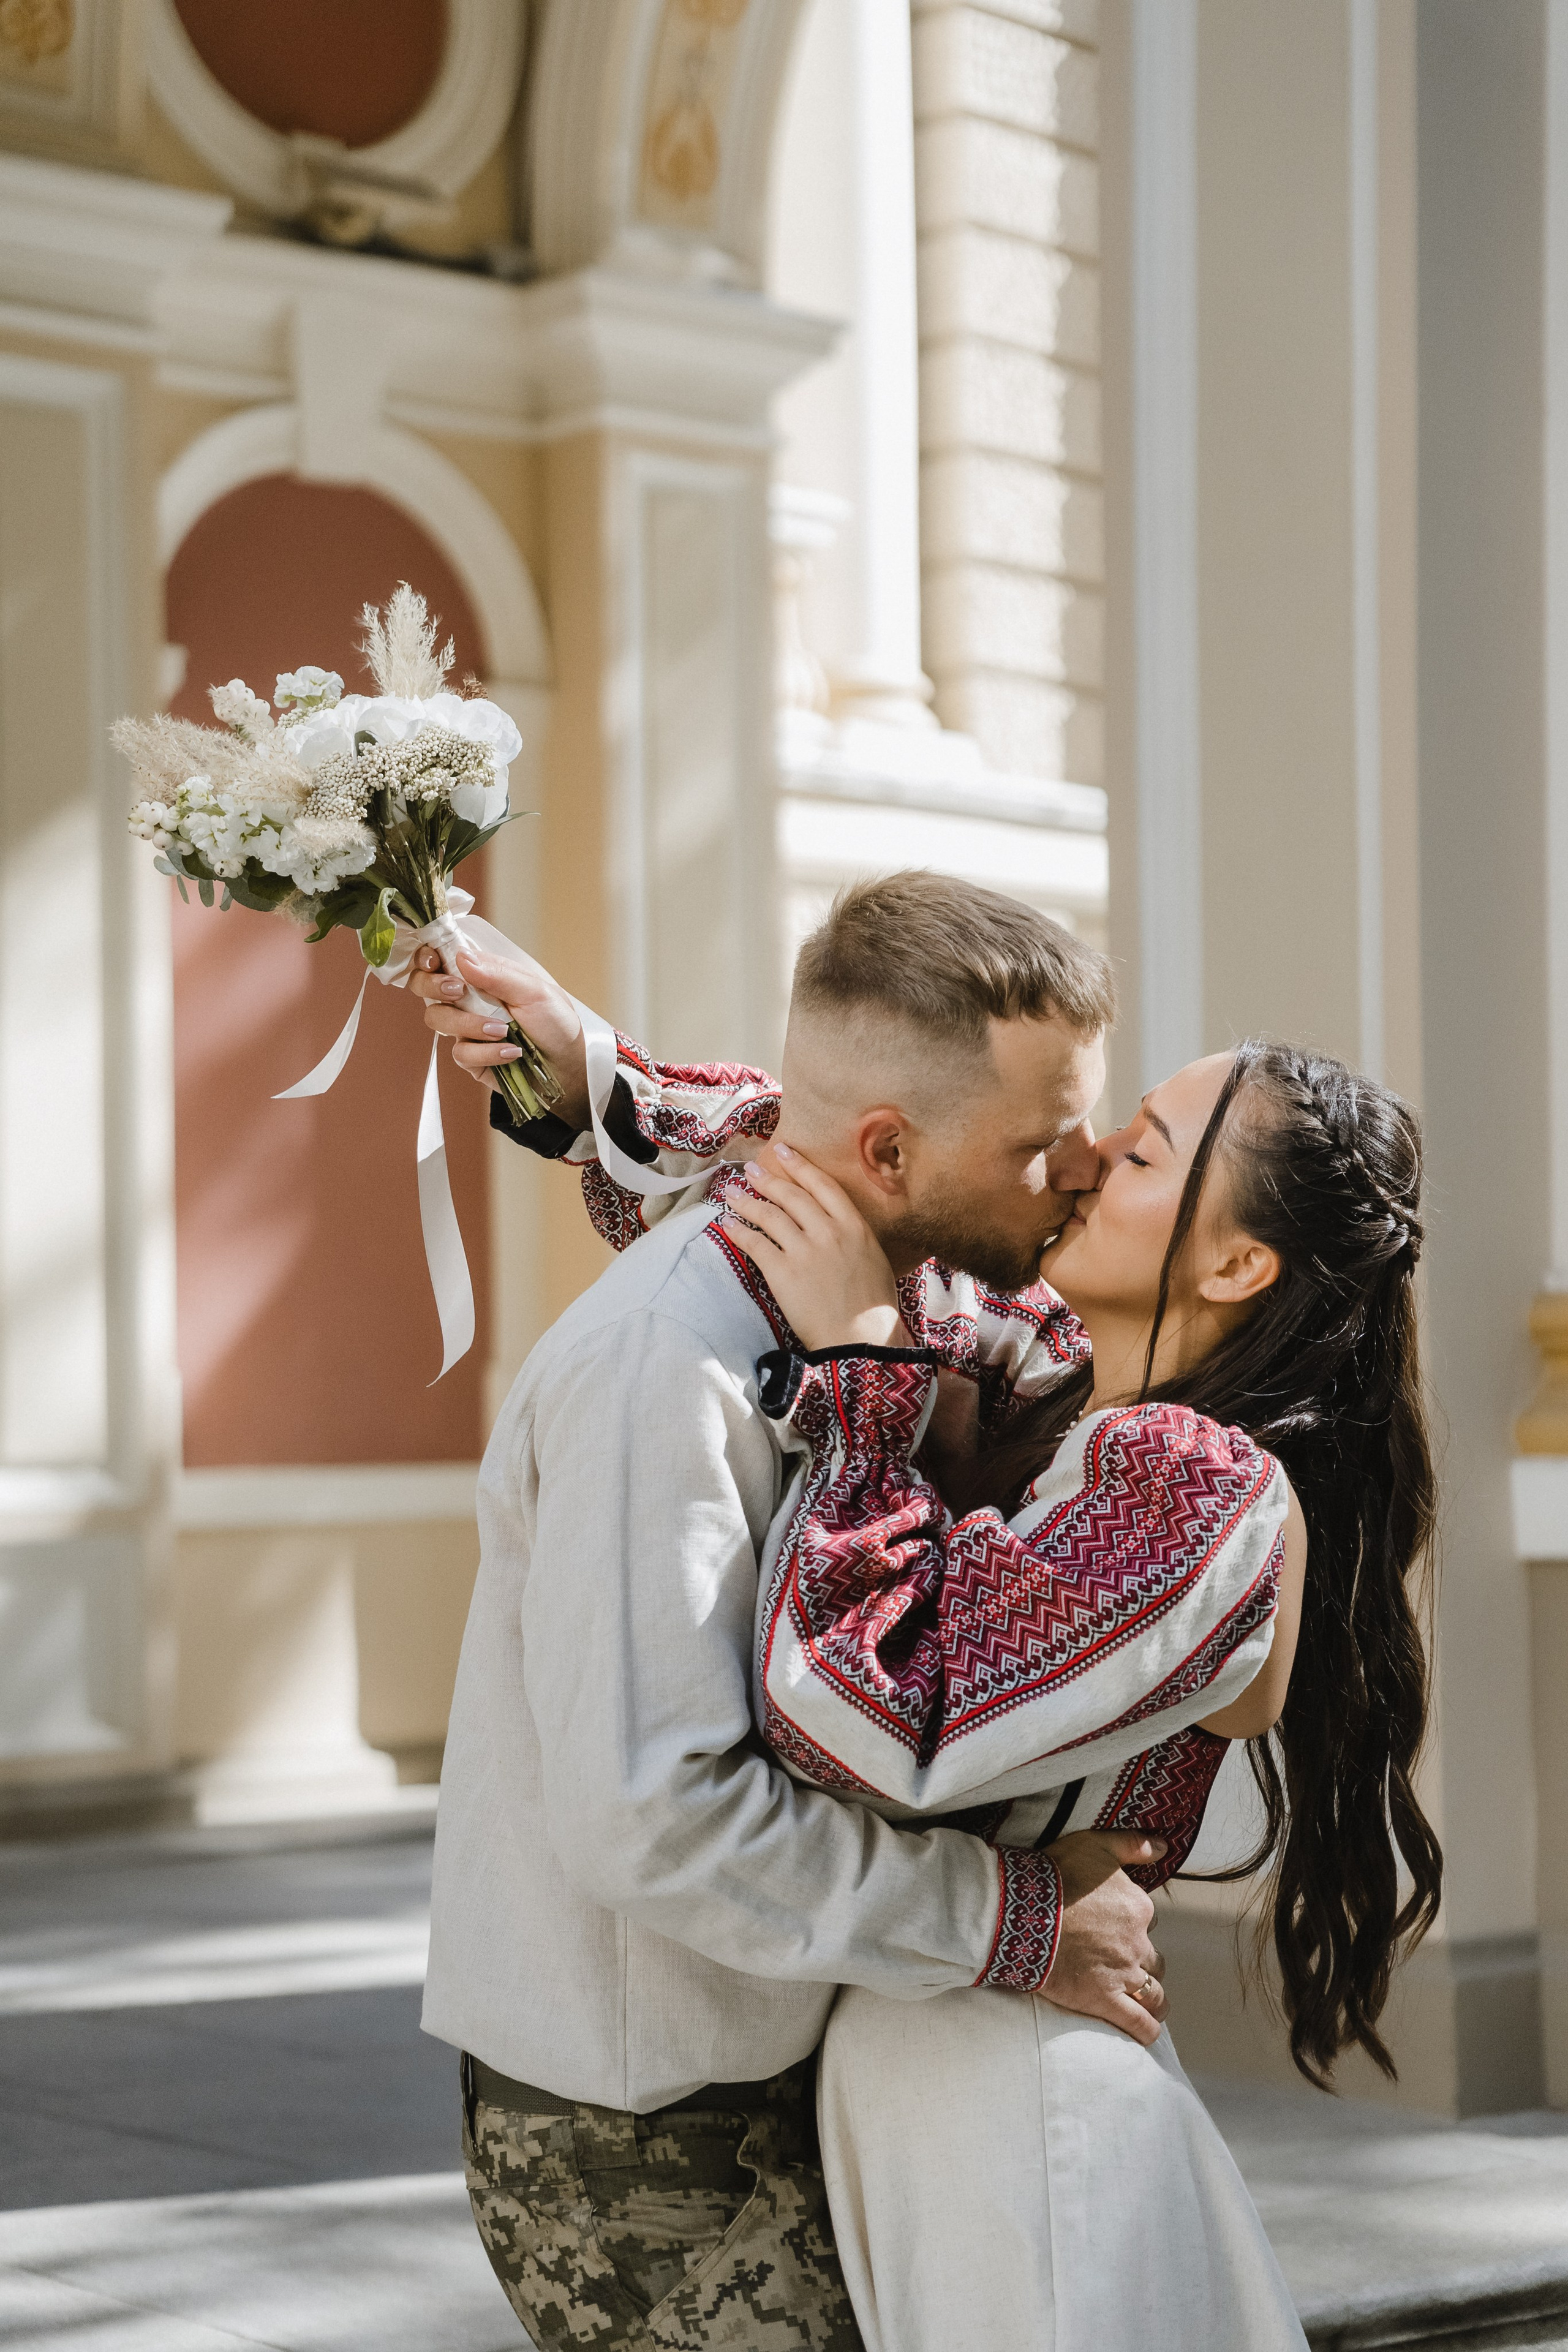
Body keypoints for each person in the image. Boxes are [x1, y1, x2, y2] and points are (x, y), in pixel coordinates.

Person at [414, 876, 1441, 2352]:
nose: (1082, 1164)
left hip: (999, 2083)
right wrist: (595, 1074)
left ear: (1231, 1264)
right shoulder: (1039, 1373)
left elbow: (878, 1716)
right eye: (1071, 1135)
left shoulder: (1194, 1484)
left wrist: (858, 1380)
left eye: (1133, 1147)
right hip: (846, 2065)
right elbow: (843, 1155)